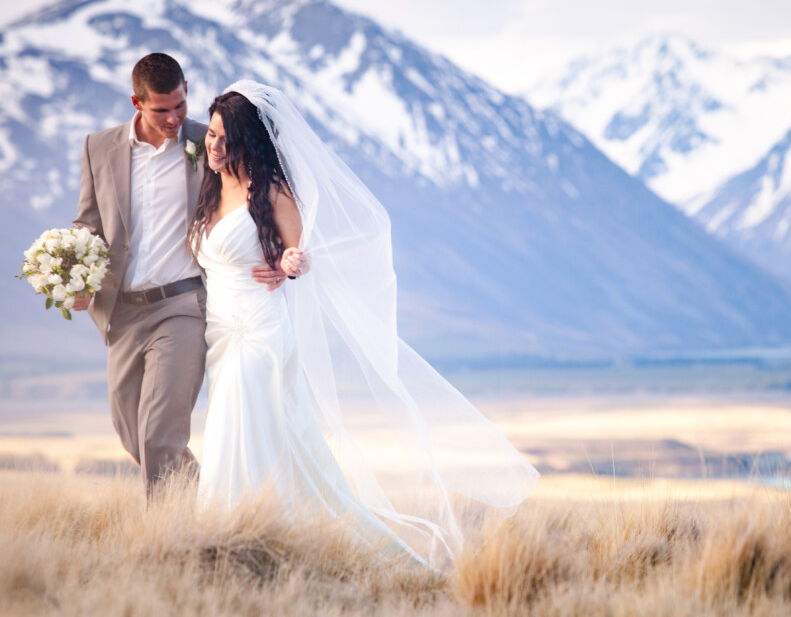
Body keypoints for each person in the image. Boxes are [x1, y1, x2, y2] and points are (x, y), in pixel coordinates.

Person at [190, 81, 539, 570]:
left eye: (226, 139)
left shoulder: (269, 192)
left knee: (243, 426)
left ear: (249, 141)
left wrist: (292, 263)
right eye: (211, 135)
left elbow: (300, 254)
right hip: (219, 334)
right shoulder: (209, 185)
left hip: (259, 330)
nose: (215, 146)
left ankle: (256, 538)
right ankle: (231, 538)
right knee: (245, 430)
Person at [71, 54, 286, 496]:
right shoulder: (99, 148)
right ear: (137, 102)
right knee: (131, 429)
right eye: (161, 110)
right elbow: (87, 224)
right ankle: (206, 503)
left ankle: (170, 539)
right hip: (123, 310)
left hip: (184, 307)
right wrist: (75, 277)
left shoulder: (207, 143)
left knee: (160, 433)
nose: (174, 118)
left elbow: (264, 190)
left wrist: (279, 254)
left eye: (180, 106)